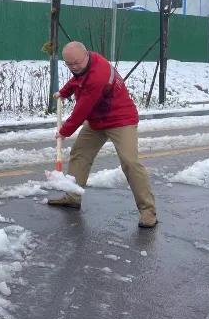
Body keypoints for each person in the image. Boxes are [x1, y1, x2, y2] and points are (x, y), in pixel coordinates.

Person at [48, 41, 157, 228]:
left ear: (86, 56)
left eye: (77, 63)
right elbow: (78, 79)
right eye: (69, 64)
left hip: (121, 119)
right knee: (79, 154)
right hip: (97, 120)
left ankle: (148, 211)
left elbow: (82, 109)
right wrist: (65, 92)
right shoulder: (84, 65)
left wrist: (64, 132)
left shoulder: (98, 74)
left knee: (130, 162)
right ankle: (73, 196)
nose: (74, 68)